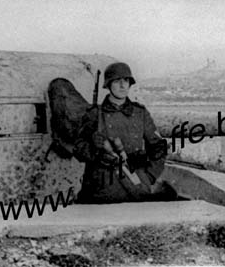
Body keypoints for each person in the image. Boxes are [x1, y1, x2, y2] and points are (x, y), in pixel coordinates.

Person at [73, 62, 177, 203]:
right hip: (102, 188)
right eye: (117, 81)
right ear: (109, 85)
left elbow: (158, 147)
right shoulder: (94, 114)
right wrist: (95, 150)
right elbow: (78, 148)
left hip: (136, 185)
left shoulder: (140, 113)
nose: (122, 85)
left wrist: (150, 176)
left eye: (126, 81)